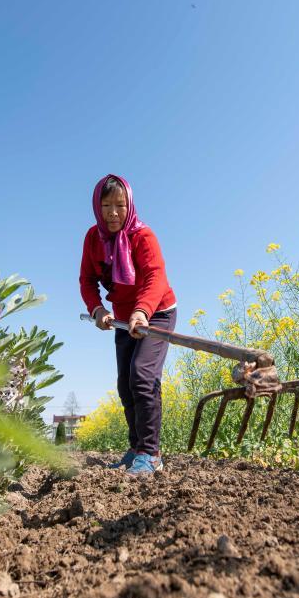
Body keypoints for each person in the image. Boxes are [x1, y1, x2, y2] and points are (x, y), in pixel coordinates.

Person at [80, 174, 177, 475]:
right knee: (125, 383)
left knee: (142, 375)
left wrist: (142, 311)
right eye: (106, 206)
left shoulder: (142, 236)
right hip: (123, 318)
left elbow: (155, 277)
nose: (113, 213)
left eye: (120, 205)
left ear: (130, 205)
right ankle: (136, 449)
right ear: (97, 207)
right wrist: (97, 309)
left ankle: (151, 454)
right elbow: (87, 280)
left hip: (157, 312)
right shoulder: (93, 239)